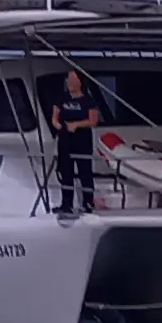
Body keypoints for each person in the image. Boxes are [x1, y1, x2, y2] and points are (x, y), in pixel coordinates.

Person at [48, 69, 105, 216]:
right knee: (66, 172)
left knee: (85, 172)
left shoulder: (88, 100)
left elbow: (93, 120)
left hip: (82, 140)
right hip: (65, 139)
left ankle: (87, 202)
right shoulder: (61, 98)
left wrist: (77, 124)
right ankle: (66, 204)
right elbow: (54, 117)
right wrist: (58, 126)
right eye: (69, 80)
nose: (71, 83)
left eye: (74, 80)